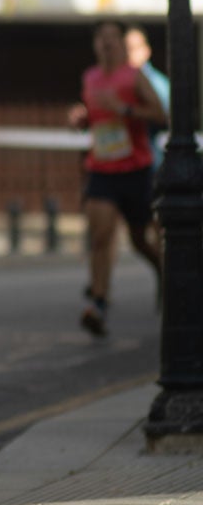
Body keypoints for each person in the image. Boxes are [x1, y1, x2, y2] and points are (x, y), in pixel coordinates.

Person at [68, 19, 164, 337]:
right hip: (102, 168)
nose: (106, 44)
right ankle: (98, 304)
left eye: (112, 38)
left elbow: (163, 116)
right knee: (100, 237)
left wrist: (126, 110)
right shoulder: (90, 78)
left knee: (140, 239)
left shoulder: (134, 77)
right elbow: (94, 118)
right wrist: (81, 119)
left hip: (136, 169)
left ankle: (164, 273)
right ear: (95, 44)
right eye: (101, 38)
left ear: (122, 44)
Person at [124, 26, 170, 170]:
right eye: (126, 48)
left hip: (147, 157)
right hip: (120, 158)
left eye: (134, 48)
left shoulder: (158, 83)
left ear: (146, 50)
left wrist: (126, 110)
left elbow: (163, 117)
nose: (129, 53)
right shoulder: (117, 79)